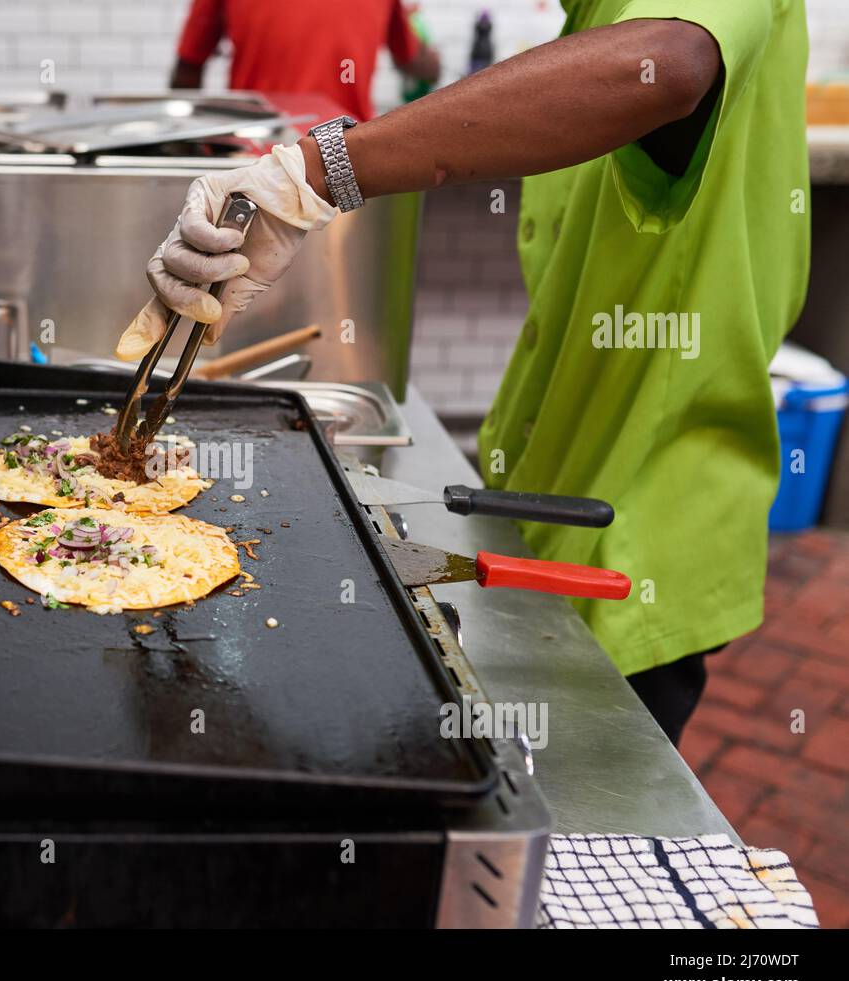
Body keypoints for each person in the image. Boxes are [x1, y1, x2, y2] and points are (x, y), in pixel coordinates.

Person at [119, 0, 810, 746]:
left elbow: (665, 64)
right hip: (556, 489)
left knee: (561, 812)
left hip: (643, 524)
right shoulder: (587, 14)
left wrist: (316, 171)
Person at [169, 0, 441, 122]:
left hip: (258, 152)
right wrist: (416, 28)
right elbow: (421, 66)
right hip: (344, 152)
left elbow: (188, 70)